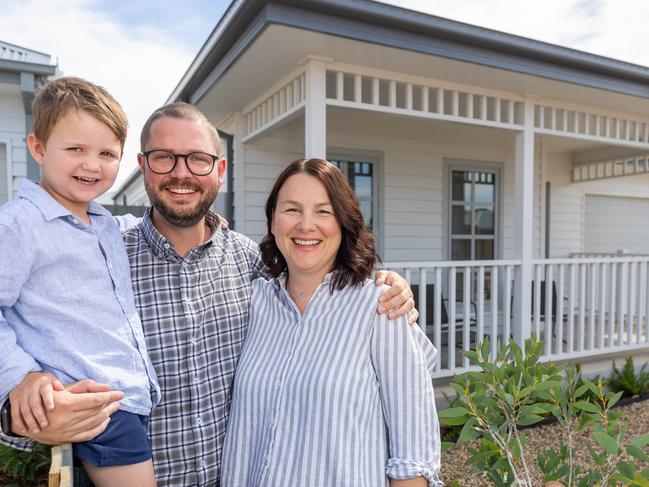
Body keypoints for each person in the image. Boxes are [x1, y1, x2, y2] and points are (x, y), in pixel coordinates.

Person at [1, 102, 416, 485]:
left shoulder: (252, 264)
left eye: (198, 159)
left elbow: (314, 290)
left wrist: (386, 286)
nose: (181, 173)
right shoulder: (100, 256)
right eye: (164, 157)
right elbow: (31, 326)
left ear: (219, 169)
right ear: (143, 166)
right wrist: (17, 400)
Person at [221, 158, 442, 486]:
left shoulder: (380, 305)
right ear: (273, 221)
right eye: (292, 209)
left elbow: (414, 453)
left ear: (344, 222)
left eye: (323, 211)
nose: (306, 225)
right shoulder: (252, 301)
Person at [0, 77, 160, 486]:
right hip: (94, 406)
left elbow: (135, 223)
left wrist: (211, 222)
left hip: (123, 401)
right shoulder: (18, 225)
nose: (92, 164)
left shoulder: (103, 222)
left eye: (107, 153)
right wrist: (20, 375)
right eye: (76, 149)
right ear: (38, 148)